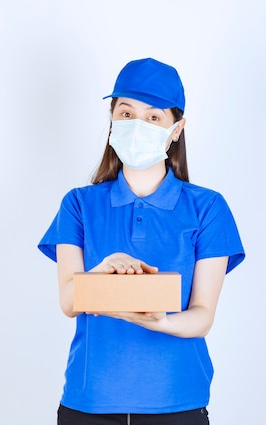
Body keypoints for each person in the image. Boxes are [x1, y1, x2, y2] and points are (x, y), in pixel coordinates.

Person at [38, 58, 245, 425]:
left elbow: (202, 316)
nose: (137, 125)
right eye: (126, 113)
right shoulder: (79, 204)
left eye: (153, 118)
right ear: (112, 120)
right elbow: (69, 303)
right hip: (89, 404)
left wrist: (156, 321)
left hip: (176, 404)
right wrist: (100, 272)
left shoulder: (207, 208)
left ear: (177, 128)